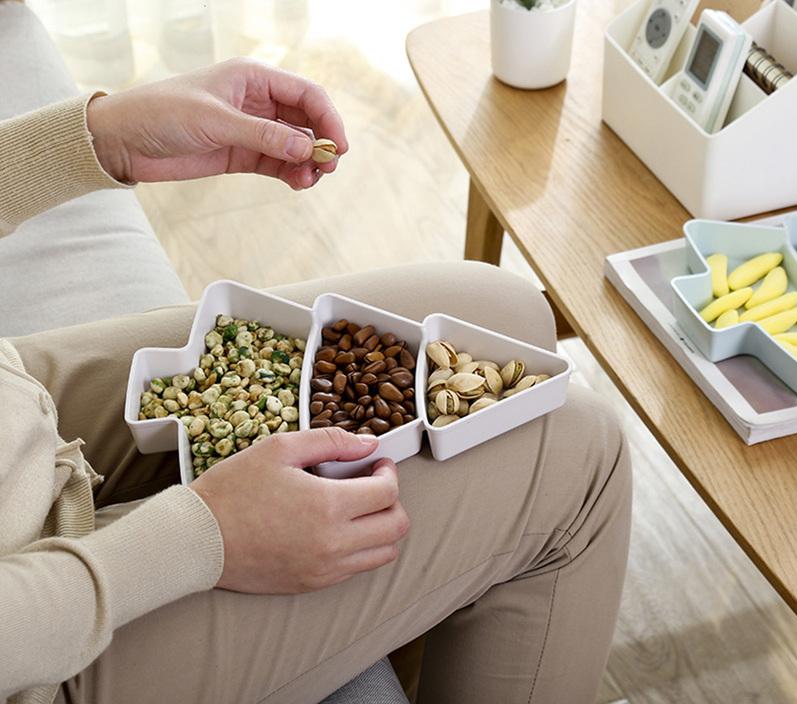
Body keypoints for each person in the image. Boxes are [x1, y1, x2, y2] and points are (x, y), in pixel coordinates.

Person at [0, 58, 632, 704]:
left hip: (15, 400)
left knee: (507, 310)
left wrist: (99, 138)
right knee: (586, 456)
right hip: (36, 654)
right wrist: (204, 535)